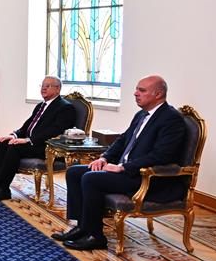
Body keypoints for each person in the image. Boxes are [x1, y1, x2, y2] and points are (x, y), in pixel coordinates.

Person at [52, 75, 186, 251]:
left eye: (142, 90)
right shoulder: (142, 114)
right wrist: (104, 158)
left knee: (91, 179)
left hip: (145, 177)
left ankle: (96, 236)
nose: (135, 93)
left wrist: (123, 167)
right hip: (127, 170)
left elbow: (161, 156)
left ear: (158, 94)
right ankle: (82, 227)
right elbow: (123, 140)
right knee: (74, 172)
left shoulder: (171, 119)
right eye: (137, 89)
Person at [0, 76, 76, 201]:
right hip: (33, 143)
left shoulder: (65, 108)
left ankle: (4, 189)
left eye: (48, 86)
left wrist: (28, 140)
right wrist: (14, 135)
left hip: (47, 147)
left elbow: (55, 131)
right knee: (3, 142)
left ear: (58, 89)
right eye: (42, 86)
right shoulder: (41, 105)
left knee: (14, 147)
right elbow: (27, 126)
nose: (43, 88)